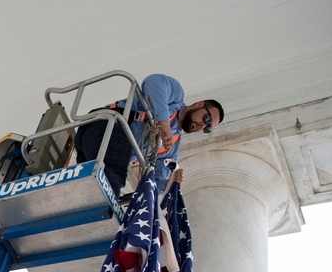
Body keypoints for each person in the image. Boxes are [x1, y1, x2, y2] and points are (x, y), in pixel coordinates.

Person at [74, 73, 224, 196]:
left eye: (207, 128)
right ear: (199, 104)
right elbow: (154, 82)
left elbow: (156, 181)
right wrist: (164, 122)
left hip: (98, 148)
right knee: (113, 181)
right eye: (206, 118)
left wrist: (169, 184)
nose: (202, 125)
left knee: (87, 184)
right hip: (107, 125)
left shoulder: (172, 148)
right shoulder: (176, 97)